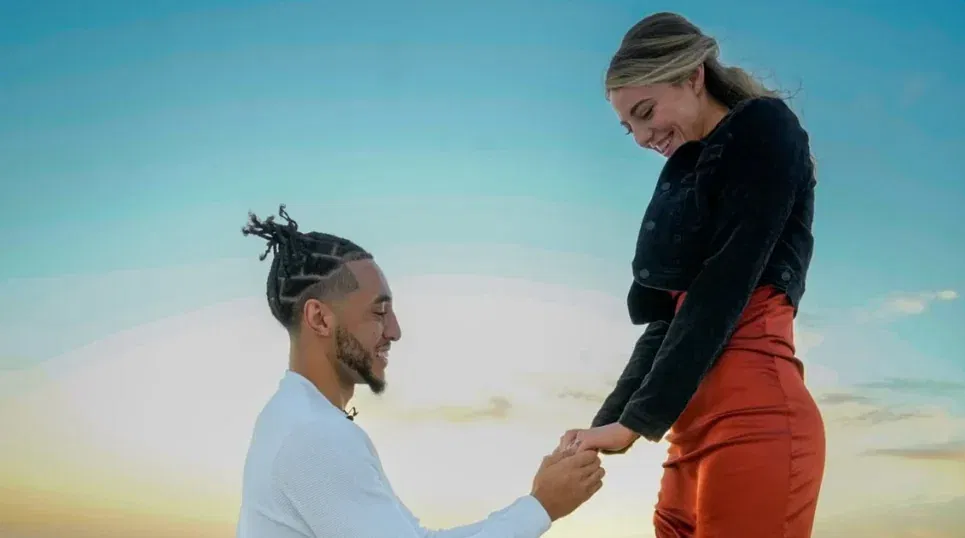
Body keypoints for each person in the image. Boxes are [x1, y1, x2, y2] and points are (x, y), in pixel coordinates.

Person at [557, 12, 826, 538]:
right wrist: (609, 424)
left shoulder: (763, 129)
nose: (639, 137)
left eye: (645, 111)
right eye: (627, 126)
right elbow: (667, 321)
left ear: (692, 77)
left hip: (754, 421)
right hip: (687, 434)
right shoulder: (689, 171)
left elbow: (724, 285)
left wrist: (637, 421)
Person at [236, 205, 605, 538]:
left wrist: (540, 505)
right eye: (379, 313)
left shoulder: (295, 418)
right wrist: (541, 506)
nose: (395, 331)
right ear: (319, 318)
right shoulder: (314, 435)